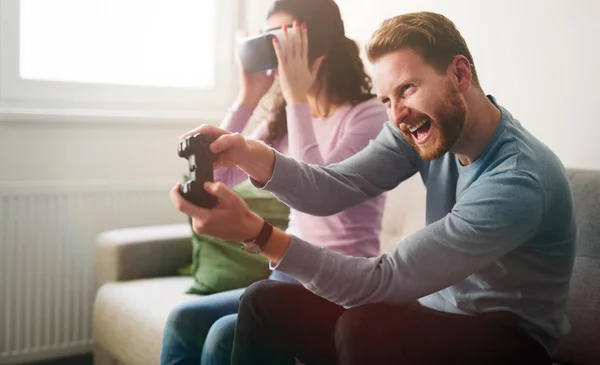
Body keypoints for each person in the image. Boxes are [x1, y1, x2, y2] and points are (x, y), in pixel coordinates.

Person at [171, 10, 577, 365]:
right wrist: (245, 151)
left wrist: (257, 234)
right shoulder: (418, 130)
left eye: (408, 89)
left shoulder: (518, 179)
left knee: (365, 325)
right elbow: (332, 187)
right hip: (437, 317)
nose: (397, 114)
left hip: (511, 344)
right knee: (263, 303)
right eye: (386, 99)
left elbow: (383, 281)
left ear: (459, 73)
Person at [160, 1, 389, 364]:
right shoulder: (285, 117)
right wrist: (248, 97)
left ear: (318, 44)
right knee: (183, 319)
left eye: (283, 41)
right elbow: (219, 177)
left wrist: (297, 96)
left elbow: (318, 191)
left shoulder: (369, 115)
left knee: (222, 336)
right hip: (285, 277)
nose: (275, 54)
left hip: (336, 285)